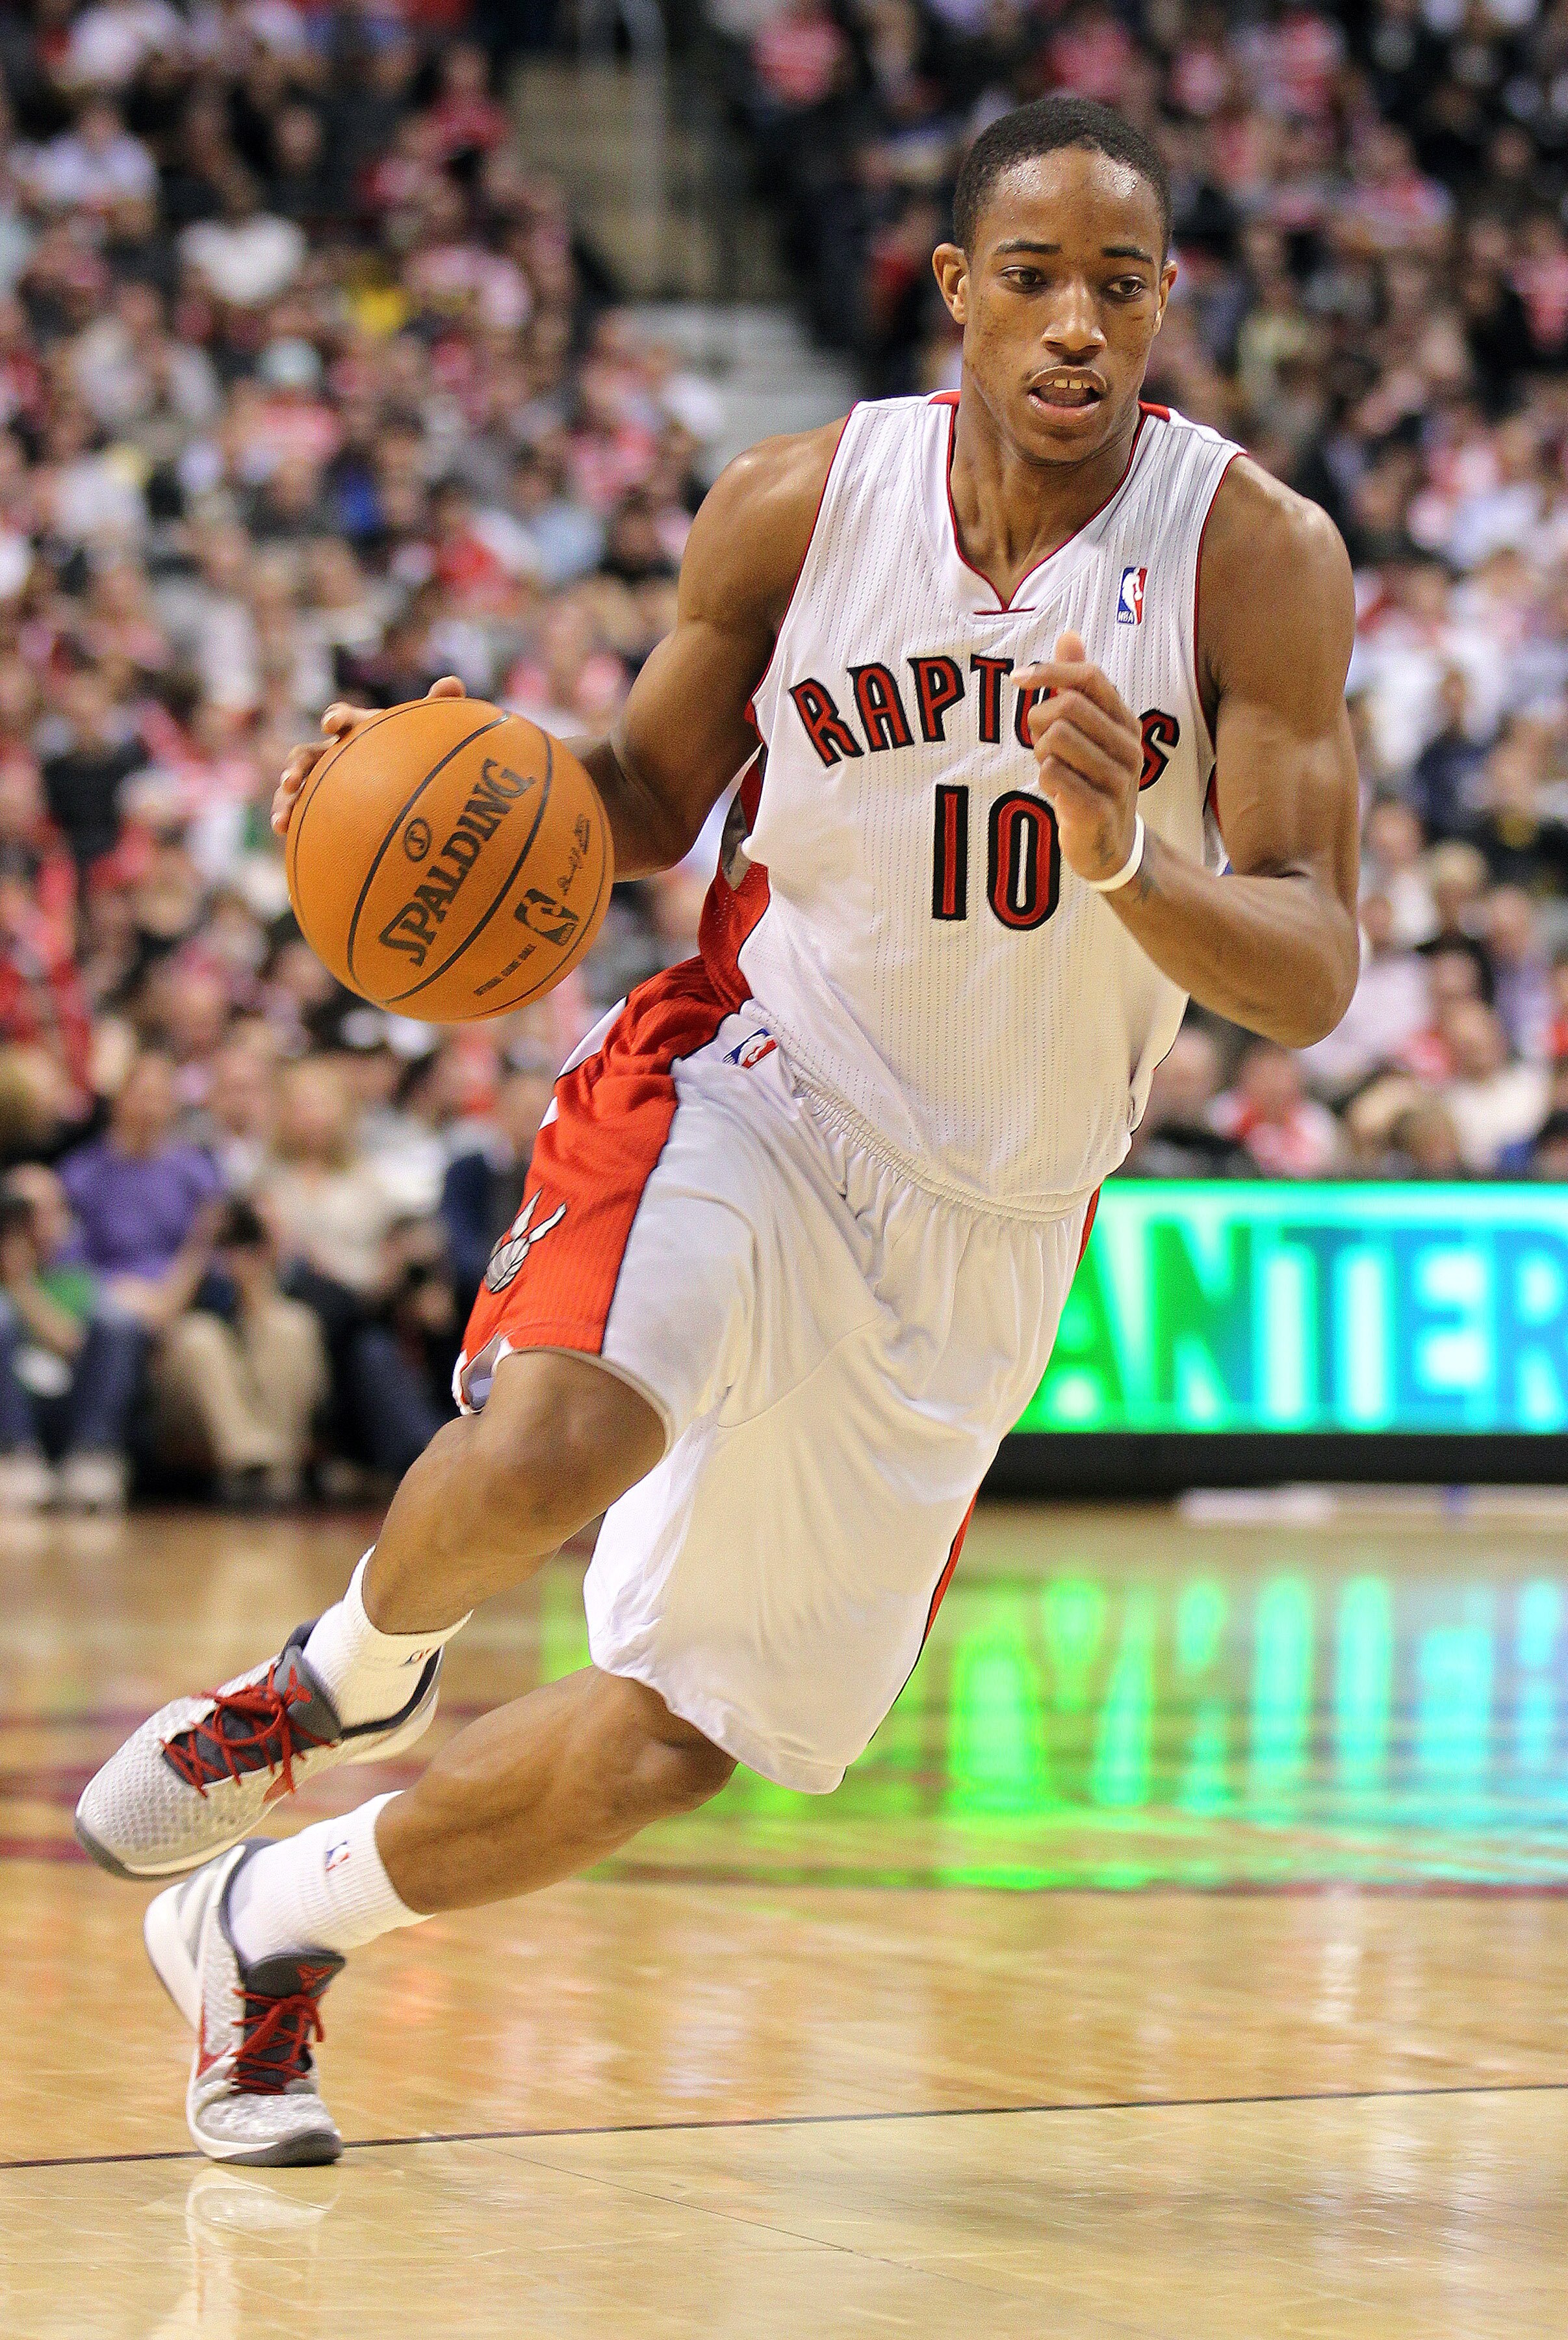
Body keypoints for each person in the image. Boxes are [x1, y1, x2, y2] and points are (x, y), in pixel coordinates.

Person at [76, 99, 1360, 2166]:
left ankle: (263, 1929)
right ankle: (356, 1666)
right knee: (564, 1432)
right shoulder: (796, 503)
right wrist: (414, 767)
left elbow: (1311, 966)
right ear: (956, 288)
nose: (1073, 326)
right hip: (758, 1073)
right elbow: (639, 802)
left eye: (1119, 286)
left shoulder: (1257, 558)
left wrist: (1127, 852)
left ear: (1165, 308)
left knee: (681, 1744)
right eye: (1029, 276)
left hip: (993, 1222)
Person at [0, 1165, 146, 1511]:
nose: (33, 1225)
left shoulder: (74, 1276)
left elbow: (72, 1345)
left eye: (44, 1212)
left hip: (66, 1404)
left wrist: (19, 1281)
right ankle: (12, 1455)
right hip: (13, 1410)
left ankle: (92, 1456)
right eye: (21, 1213)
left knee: (116, 1322)